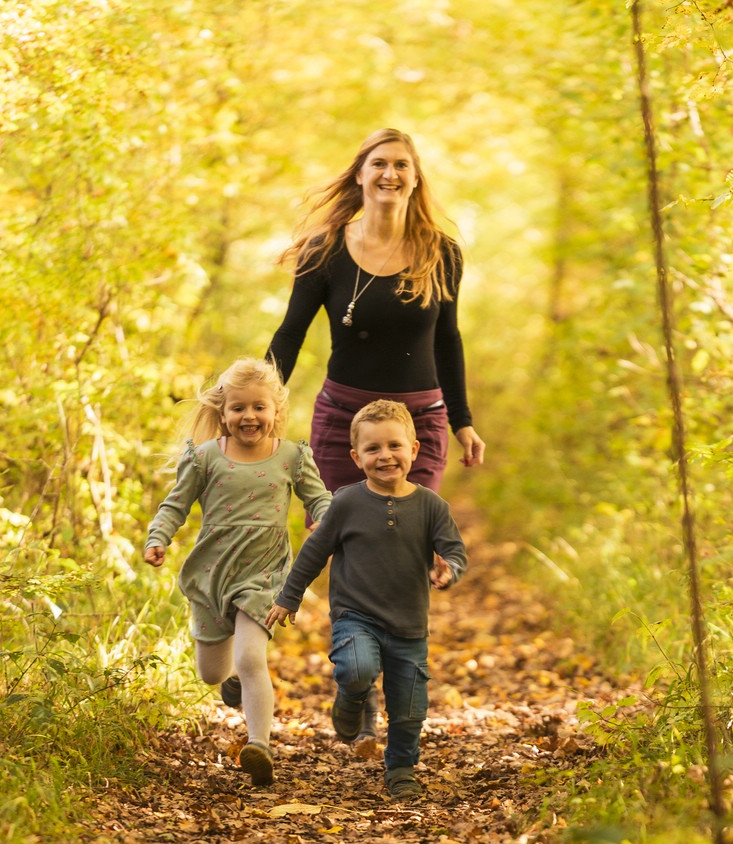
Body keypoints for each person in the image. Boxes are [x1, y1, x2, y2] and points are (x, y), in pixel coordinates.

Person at [266, 128, 482, 744]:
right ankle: (354, 682)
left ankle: (394, 672)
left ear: (415, 178)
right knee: (345, 535)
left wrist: (463, 419)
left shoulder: (443, 252)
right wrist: (262, 399)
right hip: (343, 421)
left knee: (408, 542)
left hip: (420, 422)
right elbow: (290, 334)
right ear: (360, 174)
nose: (389, 174)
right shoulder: (325, 250)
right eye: (378, 164)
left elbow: (449, 340)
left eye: (401, 166)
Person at [266, 400, 468, 800]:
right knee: (357, 669)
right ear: (357, 458)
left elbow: (454, 551)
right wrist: (288, 597)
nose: (385, 456)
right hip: (355, 616)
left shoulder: (431, 506)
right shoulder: (346, 503)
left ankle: (401, 769)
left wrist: (449, 569)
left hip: (410, 625)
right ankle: (353, 700)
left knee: (410, 709)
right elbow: (314, 551)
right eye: (373, 449)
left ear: (414, 449)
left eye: (394, 446)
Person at [144, 357, 332, 787]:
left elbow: (319, 498)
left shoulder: (291, 456)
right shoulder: (206, 457)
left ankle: (259, 744)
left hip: (265, 574)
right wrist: (159, 537)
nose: (249, 416)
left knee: (251, 657)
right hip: (213, 573)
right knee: (213, 672)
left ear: (276, 411)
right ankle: (230, 683)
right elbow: (175, 504)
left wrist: (324, 516)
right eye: (239, 408)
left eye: (259, 407)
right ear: (223, 413)